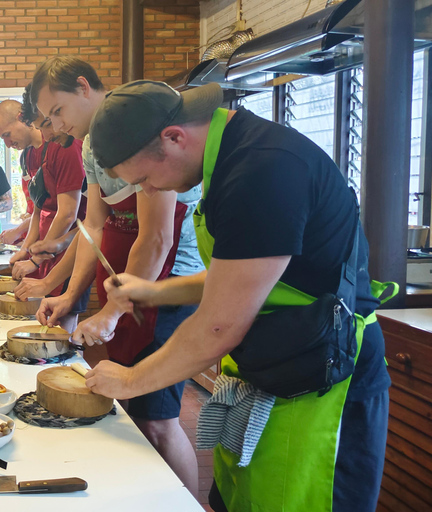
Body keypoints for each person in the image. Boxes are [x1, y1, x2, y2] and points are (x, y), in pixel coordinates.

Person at [86, 81, 391, 512]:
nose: (149, 192)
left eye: (146, 179)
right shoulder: (232, 158)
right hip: (275, 366)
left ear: (174, 138)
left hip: (322, 378)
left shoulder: (262, 170)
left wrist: (131, 380)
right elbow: (241, 275)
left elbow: (218, 325)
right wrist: (155, 290)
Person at [22, 57, 197, 493]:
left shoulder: (136, 129)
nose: (56, 125)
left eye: (57, 112)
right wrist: (66, 293)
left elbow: (157, 240)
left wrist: (115, 312)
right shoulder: (88, 146)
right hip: (126, 290)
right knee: (133, 417)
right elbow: (93, 227)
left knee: (158, 422)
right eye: (47, 120)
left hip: (168, 290)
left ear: (84, 87)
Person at [0, 97, 89, 331]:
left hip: (70, 246)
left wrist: (36, 258)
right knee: (41, 321)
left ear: (21, 119)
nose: (7, 143)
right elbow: (38, 207)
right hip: (46, 248)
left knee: (60, 325)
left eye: (6, 135)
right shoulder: (28, 156)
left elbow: (67, 214)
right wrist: (26, 249)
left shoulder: (63, 147)